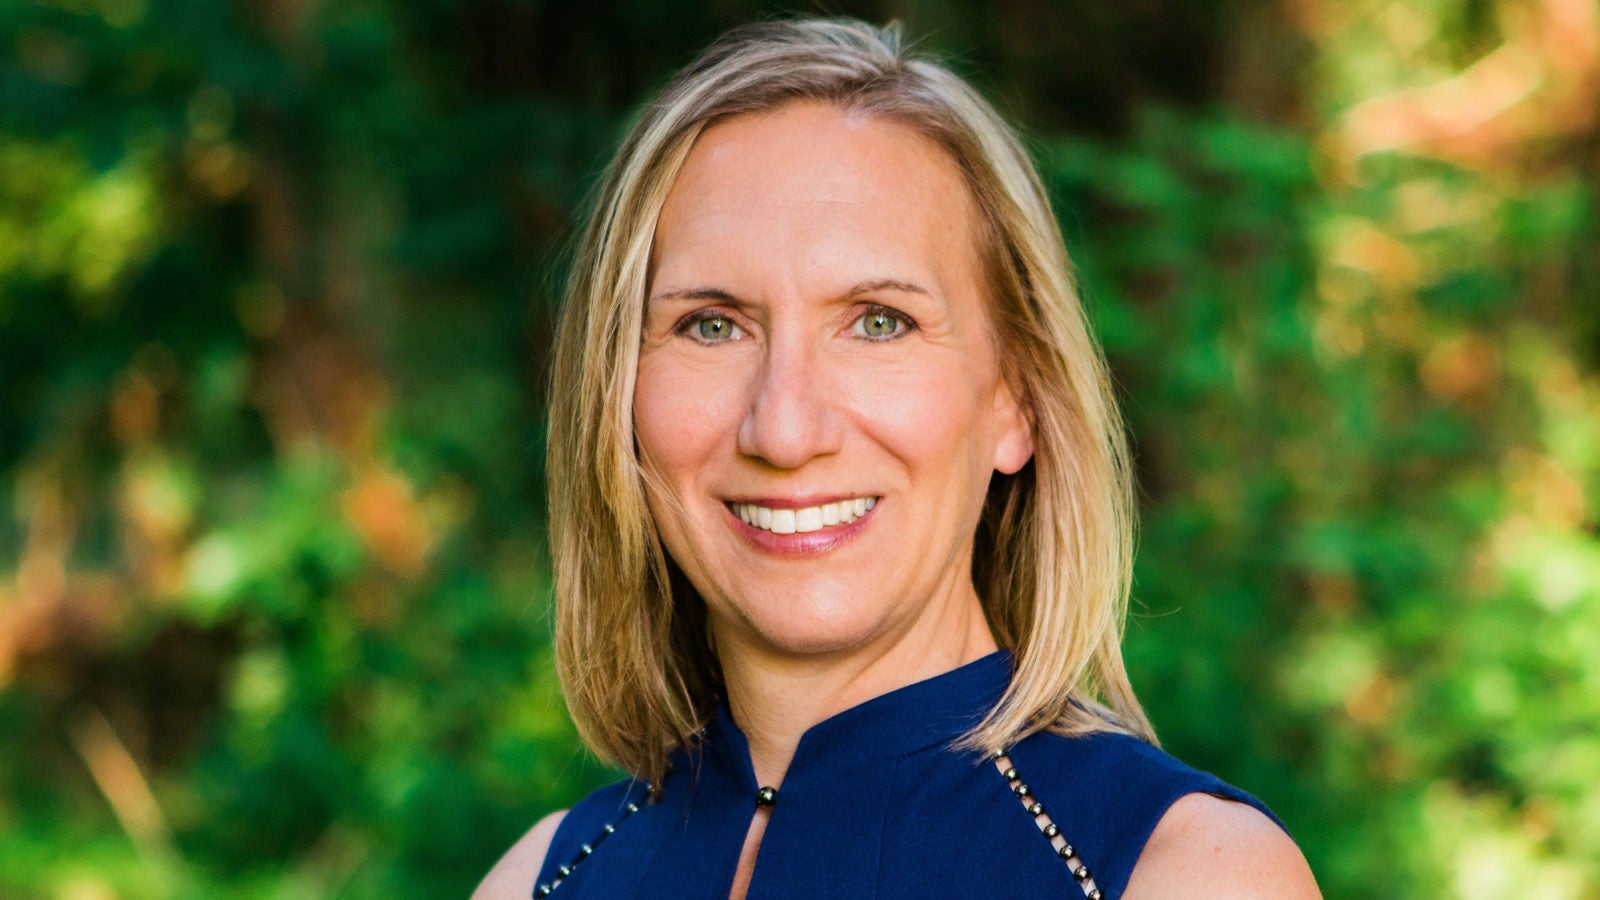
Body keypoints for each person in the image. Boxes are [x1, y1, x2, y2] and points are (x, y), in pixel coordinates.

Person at [477, 18, 1318, 899]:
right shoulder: (540, 880)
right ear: (615, 396)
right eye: (712, 325)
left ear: (1016, 397)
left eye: (879, 321)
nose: (786, 429)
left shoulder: (1187, 876)